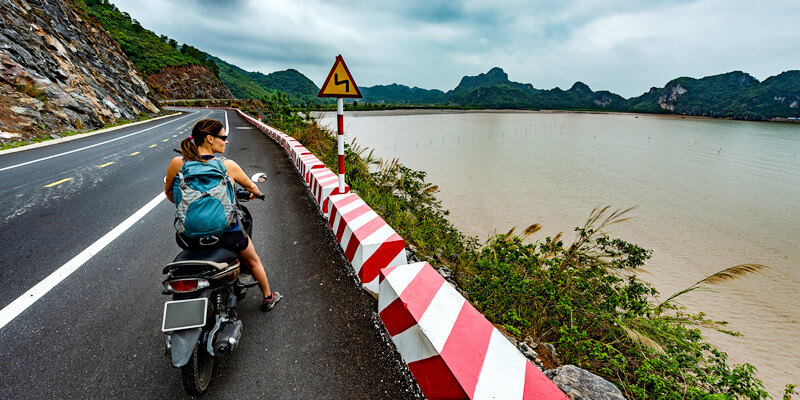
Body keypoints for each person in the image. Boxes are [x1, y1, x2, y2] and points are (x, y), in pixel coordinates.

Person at [164, 118, 281, 311]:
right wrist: (257, 194)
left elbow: (170, 193)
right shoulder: (227, 165)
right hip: (227, 235)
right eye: (223, 137)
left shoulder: (178, 163)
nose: (226, 141)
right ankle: (268, 296)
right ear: (210, 139)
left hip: (189, 237)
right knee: (252, 260)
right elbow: (253, 187)